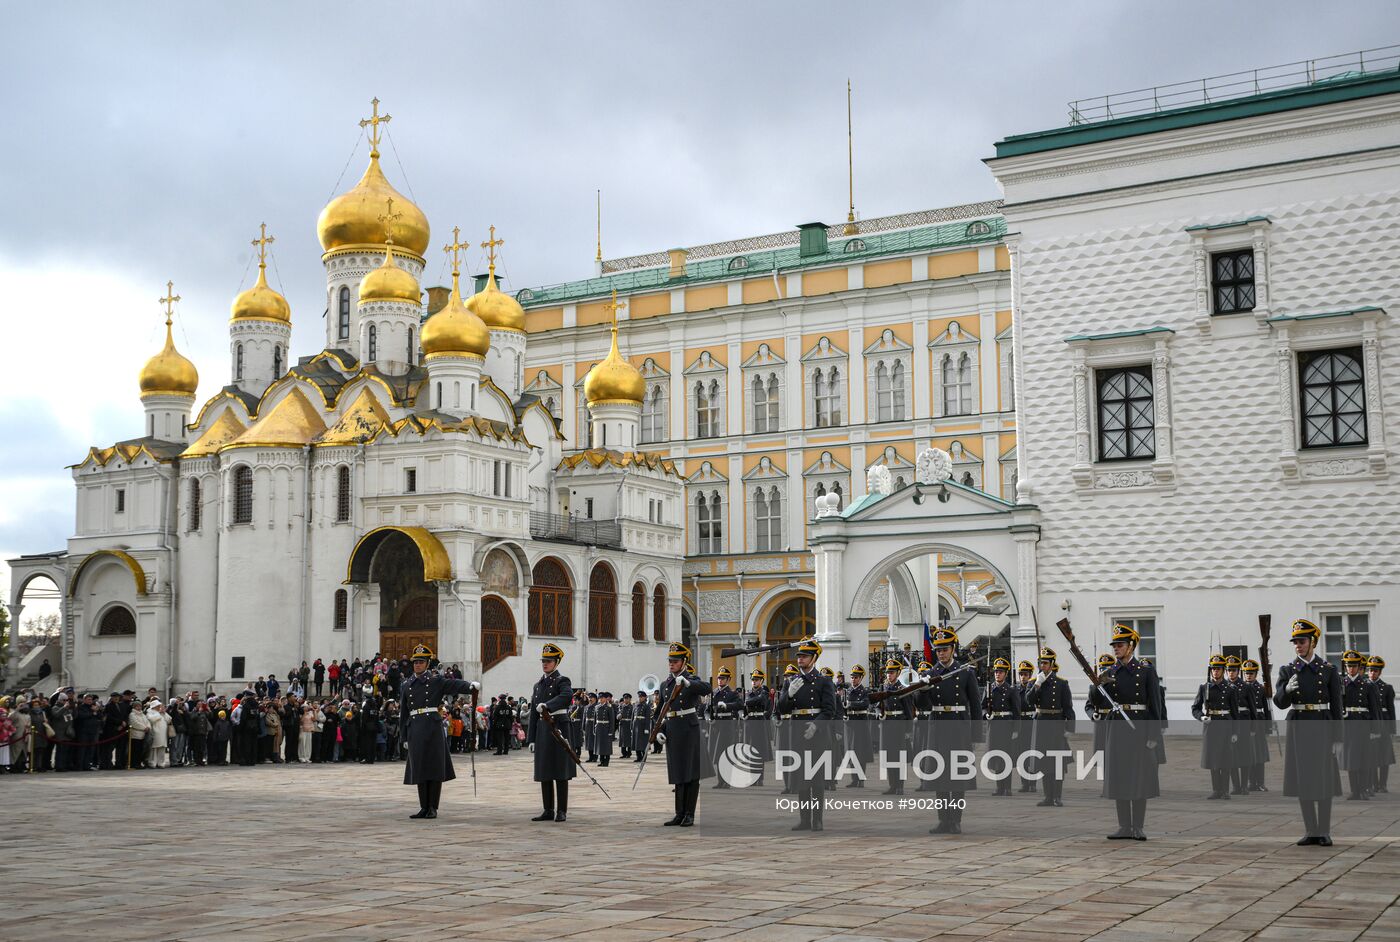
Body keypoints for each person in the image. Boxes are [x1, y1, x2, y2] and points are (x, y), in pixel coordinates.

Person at [1274, 619, 1343, 845]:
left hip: (1322, 724)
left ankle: (1324, 831)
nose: (1298, 645)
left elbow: (1337, 706)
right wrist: (1286, 689)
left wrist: (1338, 738)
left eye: (1302, 641)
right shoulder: (1287, 670)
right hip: (1299, 726)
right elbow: (1280, 703)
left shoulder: (1328, 670)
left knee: (1323, 781)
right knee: (1303, 780)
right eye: (1295, 642)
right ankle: (1310, 831)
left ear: (1313, 641)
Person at [1100, 623, 1163, 841]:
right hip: (1117, 730)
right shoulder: (1109, 673)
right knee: (1120, 778)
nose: (1116, 648)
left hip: (1139, 728)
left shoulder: (1145, 671)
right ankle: (1124, 826)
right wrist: (1097, 683)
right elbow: (1097, 700)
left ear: (1132, 646)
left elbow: (1155, 704)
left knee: (1138, 779)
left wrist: (1154, 736)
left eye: (1120, 644)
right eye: (1115, 645)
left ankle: (1138, 826)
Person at [400, 644, 478, 819]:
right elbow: (403, 713)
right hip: (415, 727)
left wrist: (470, 686)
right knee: (419, 768)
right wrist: (404, 736)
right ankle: (423, 807)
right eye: (415, 662)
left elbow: (454, 684)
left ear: (428, 664)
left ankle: (433, 807)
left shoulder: (435, 681)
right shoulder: (406, 685)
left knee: (434, 767)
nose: (417, 665)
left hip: (432, 726)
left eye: (421, 662)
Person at [925, 629, 983, 833]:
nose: (941, 653)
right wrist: (921, 690)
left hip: (959, 726)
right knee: (940, 777)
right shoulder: (931, 674)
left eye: (945, 649)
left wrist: (976, 734)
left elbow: (976, 705)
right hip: (938, 726)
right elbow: (923, 704)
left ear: (953, 649)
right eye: (938, 650)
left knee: (958, 777)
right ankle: (943, 820)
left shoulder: (965, 672)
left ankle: (956, 820)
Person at [775, 638, 835, 831]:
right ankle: (804, 819)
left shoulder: (824, 681)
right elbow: (781, 709)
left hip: (816, 733)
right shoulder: (791, 681)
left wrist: (816, 726)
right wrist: (789, 695)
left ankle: (817, 819)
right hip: (798, 732)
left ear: (814, 658)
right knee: (801, 778)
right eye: (799, 656)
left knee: (816, 779)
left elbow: (829, 710)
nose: (800, 659)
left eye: (805, 656)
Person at [654, 642, 712, 827]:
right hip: (673, 729)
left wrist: (688, 683)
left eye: (676, 661)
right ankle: (679, 813)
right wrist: (660, 732)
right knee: (678, 772)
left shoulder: (691, 680)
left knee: (691, 773)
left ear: (684, 662)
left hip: (689, 729)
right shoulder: (665, 684)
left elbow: (707, 688)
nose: (672, 664)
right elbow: (660, 712)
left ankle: (689, 813)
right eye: (670, 661)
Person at [527, 643, 575, 822]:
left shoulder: (562, 681)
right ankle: (548, 809)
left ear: (556, 662)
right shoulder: (538, 685)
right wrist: (531, 738)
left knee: (560, 770)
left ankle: (561, 810)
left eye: (549, 661)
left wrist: (548, 705)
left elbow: (566, 697)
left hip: (558, 728)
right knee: (544, 769)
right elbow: (533, 712)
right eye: (543, 661)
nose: (545, 664)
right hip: (542, 731)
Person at [1192, 654, 1241, 800]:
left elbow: (1235, 712)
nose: (1215, 672)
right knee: (1213, 760)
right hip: (1211, 725)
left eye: (1218, 669)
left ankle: (1225, 790)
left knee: (1225, 759)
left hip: (1225, 725)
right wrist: (1201, 717)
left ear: (1223, 670)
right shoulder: (1204, 688)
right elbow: (1195, 707)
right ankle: (1216, 790)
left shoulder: (1230, 688)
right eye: (1213, 669)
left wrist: (1235, 732)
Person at [1340, 650, 1381, 800]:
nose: (1351, 669)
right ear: (1345, 667)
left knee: (1363, 759)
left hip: (1363, 724)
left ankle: (1364, 789)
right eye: (1348, 666)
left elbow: (1374, 708)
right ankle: (1354, 791)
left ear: (1359, 667)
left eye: (1354, 666)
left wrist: (1375, 729)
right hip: (1348, 725)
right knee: (1351, 760)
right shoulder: (1341, 684)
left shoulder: (1367, 685)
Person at [985, 658, 1022, 796]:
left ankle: (1007, 787)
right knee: (995, 758)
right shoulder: (990, 689)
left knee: (1006, 758)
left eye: (1000, 672)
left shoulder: (1011, 690)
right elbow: (983, 706)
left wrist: (1016, 730)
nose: (997, 674)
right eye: (996, 672)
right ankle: (999, 787)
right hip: (994, 726)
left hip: (1006, 725)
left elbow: (1017, 712)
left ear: (1005, 674)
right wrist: (986, 715)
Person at [1240, 659, 1273, 791]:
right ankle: (1250, 782)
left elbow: (1267, 709)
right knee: (1248, 754)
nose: (1249, 675)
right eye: (1247, 673)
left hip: (1259, 723)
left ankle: (1260, 782)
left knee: (1259, 754)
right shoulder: (1239, 688)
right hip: (1246, 723)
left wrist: (1268, 727)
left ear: (1256, 674)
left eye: (1251, 673)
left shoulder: (1261, 688)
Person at [708, 667, 742, 788]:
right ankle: (720, 781)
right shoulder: (714, 692)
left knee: (726, 754)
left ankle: (727, 781)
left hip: (727, 725)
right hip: (716, 725)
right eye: (719, 678)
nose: (720, 680)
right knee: (717, 754)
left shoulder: (732, 693)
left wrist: (727, 705)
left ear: (728, 680)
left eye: (723, 678)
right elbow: (709, 709)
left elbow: (740, 705)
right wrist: (709, 718)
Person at [1368, 657, 1395, 793]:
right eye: (1370, 670)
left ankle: (1382, 784)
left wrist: (1392, 729)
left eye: (1375, 671)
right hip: (1371, 724)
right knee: (1371, 756)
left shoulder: (1387, 688)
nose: (1372, 673)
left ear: (1380, 672)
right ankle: (1374, 783)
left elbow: (1391, 709)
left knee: (1384, 756)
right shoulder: (1365, 686)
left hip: (1384, 723)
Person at [744, 669, 773, 786]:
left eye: (756, 680)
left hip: (759, 723)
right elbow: (744, 706)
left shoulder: (764, 693)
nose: (754, 682)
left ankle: (760, 778)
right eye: (753, 680)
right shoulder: (748, 693)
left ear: (761, 681)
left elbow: (761, 700)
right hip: (750, 723)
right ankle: (753, 777)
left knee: (759, 752)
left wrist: (749, 702)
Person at [595, 691, 616, 767]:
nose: (600, 699)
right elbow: (595, 719)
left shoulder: (609, 707)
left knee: (606, 745)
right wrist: (595, 728)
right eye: (599, 698)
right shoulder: (597, 707)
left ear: (605, 698)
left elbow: (612, 720)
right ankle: (601, 760)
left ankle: (606, 761)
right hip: (599, 727)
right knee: (600, 745)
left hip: (606, 728)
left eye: (602, 698)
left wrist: (611, 731)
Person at [632, 688, 652, 761]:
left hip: (643, 726)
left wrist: (647, 728)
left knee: (643, 743)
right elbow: (632, 717)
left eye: (641, 697)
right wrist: (632, 726)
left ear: (644, 697)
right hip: (636, 726)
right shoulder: (636, 705)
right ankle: (638, 757)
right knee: (636, 742)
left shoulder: (646, 706)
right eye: (639, 697)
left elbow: (648, 718)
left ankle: (644, 757)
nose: (640, 698)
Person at [617, 693, 634, 760]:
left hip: (628, 723)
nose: (625, 700)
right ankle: (623, 753)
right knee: (622, 739)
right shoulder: (621, 706)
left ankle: (629, 753)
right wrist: (618, 716)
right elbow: (617, 714)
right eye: (624, 698)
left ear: (629, 699)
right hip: (622, 724)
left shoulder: (632, 707)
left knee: (629, 739)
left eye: (627, 698)